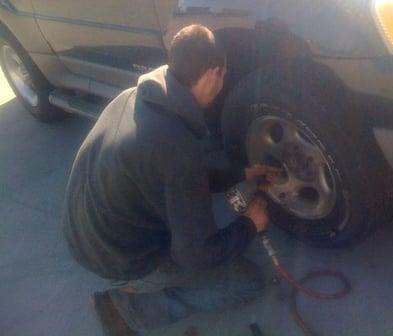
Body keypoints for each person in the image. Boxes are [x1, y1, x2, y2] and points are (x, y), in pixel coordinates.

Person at [62, 25, 278, 335]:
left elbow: (170, 171)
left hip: (84, 234)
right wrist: (249, 224)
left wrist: (241, 174)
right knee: (246, 283)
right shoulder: (175, 147)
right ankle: (130, 311)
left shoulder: (138, 96)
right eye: (224, 75)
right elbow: (195, 255)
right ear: (212, 74)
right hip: (117, 259)